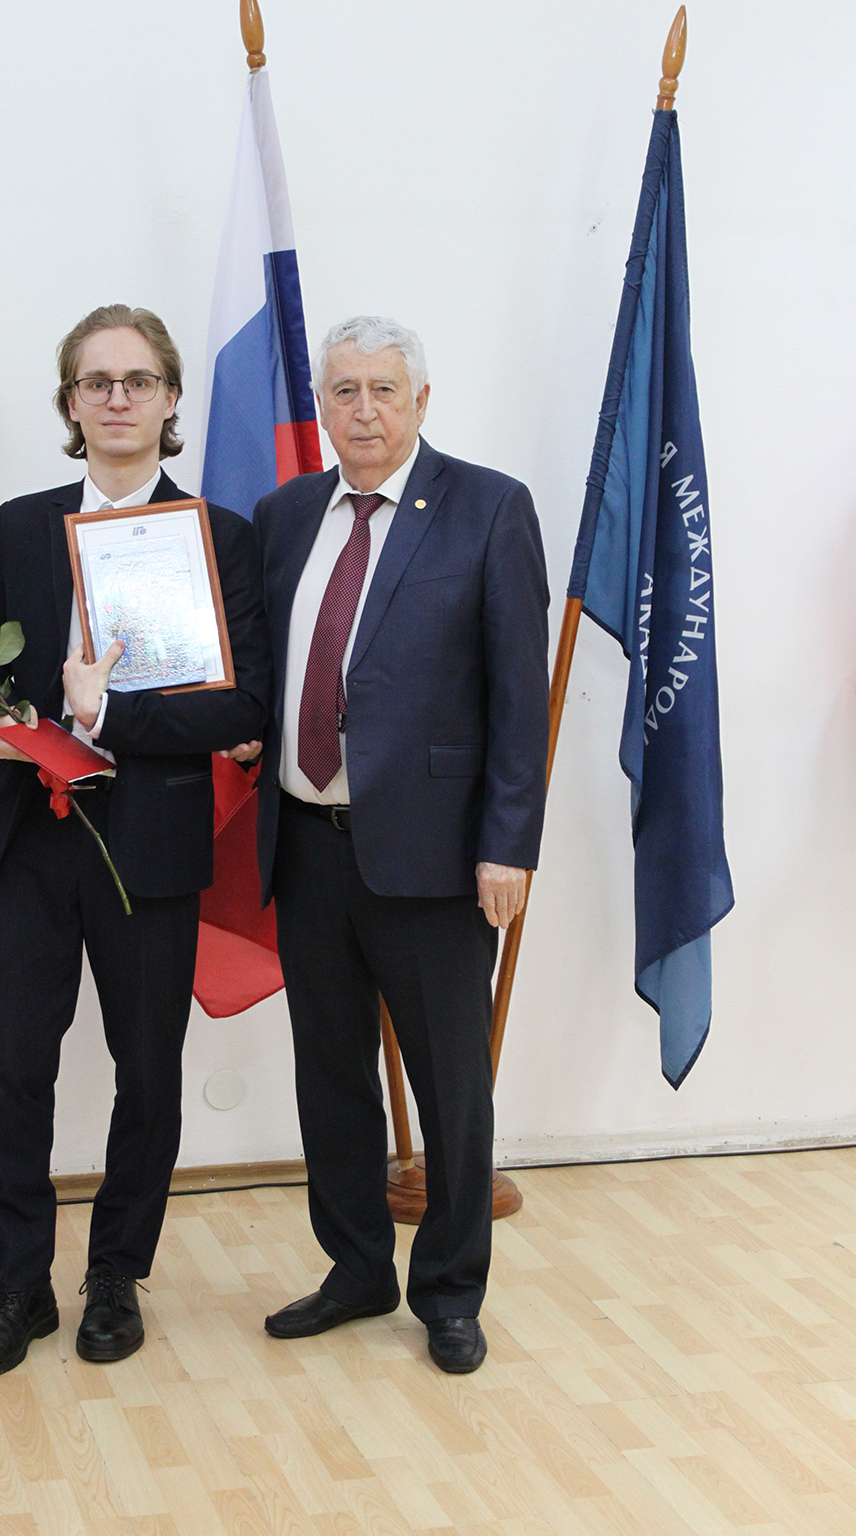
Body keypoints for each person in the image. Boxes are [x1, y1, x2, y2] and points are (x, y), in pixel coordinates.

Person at [225, 315, 549, 1373]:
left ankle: (449, 1290)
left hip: (437, 856)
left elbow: (518, 698)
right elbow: (268, 666)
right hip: (304, 844)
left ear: (421, 400)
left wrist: (508, 844)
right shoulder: (283, 515)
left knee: (452, 1086)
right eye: (344, 390)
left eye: (383, 390)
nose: (362, 410)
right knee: (330, 1076)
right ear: (320, 403)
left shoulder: (488, 506)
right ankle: (356, 1268)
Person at [0, 304, 270, 1377]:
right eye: (98, 382)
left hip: (150, 845)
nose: (118, 399)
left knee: (147, 1074)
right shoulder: (22, 524)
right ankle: (17, 1287)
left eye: (138, 381)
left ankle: (115, 1277)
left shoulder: (222, 537)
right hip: (27, 845)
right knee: (13, 1071)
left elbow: (243, 705)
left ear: (171, 399)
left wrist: (108, 718)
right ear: (72, 403)